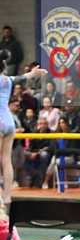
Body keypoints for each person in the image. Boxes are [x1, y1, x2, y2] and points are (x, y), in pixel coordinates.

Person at [0, 54, 46, 205]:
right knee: (6, 160)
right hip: (9, 122)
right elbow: (22, 77)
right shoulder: (8, 80)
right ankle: (7, 196)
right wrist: (34, 73)